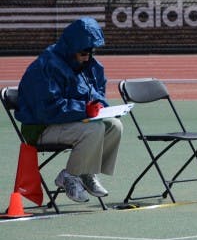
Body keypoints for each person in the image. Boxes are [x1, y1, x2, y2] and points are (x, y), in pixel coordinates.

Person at [15, 17, 122, 203]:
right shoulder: (46, 66)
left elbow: (97, 94)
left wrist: (97, 106)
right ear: (72, 49)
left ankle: (86, 172)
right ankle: (70, 176)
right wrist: (84, 109)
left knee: (114, 126)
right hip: (41, 127)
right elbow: (47, 109)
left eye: (91, 51)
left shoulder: (88, 64)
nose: (88, 56)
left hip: (71, 122)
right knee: (94, 129)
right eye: (83, 52)